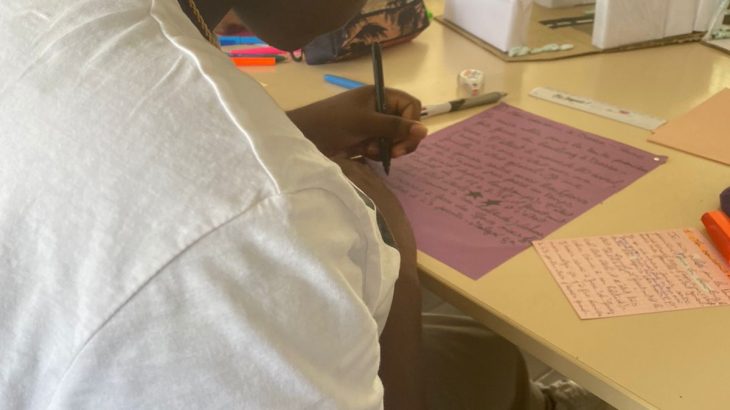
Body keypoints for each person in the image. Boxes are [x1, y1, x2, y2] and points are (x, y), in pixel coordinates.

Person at [0, 0, 609, 408]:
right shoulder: (252, 233)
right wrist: (385, 241)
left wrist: (286, 134)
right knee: (490, 364)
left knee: (484, 352)